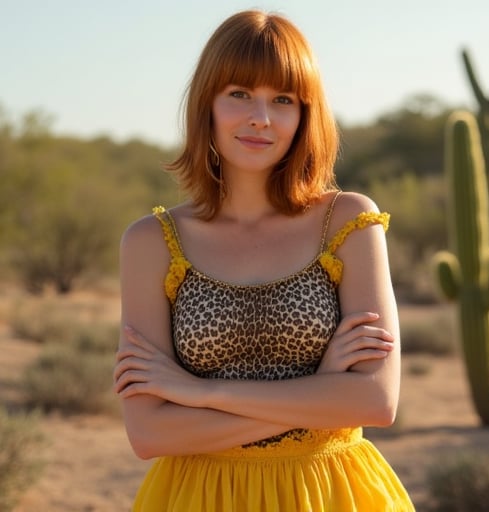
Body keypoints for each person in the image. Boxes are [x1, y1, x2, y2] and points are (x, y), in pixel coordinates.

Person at [113, 9, 415, 511]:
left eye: (282, 100)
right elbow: (149, 433)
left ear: (304, 115)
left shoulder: (346, 221)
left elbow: (376, 401)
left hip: (331, 493)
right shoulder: (151, 242)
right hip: (199, 497)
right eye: (239, 94)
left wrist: (197, 392)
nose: (262, 118)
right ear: (207, 104)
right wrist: (322, 391)